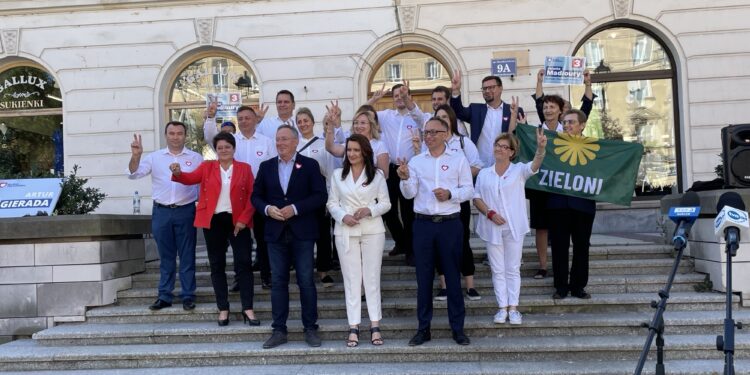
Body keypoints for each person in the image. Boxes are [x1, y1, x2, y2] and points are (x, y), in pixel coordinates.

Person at [398, 117, 474, 346]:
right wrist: (404, 178)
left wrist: (451, 194)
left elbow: (469, 190)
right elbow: (409, 194)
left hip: (450, 224)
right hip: (423, 225)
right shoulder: (416, 161)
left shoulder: (459, 159)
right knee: (423, 279)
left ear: (445, 133)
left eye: (432, 132)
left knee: (452, 276)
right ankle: (423, 329)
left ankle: (458, 328)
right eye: (425, 132)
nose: (428, 136)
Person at [170, 132, 259, 326]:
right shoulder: (207, 166)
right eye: (220, 147)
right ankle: (223, 308)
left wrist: (243, 220)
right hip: (214, 221)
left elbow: (253, 196)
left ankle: (248, 308)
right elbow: (189, 178)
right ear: (215, 150)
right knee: (217, 265)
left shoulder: (245, 168)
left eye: (227, 146)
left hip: (238, 221)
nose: (224, 150)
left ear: (234, 148)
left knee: (243, 264)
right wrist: (177, 172)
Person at [252, 125, 327, 349]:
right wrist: (267, 209)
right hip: (275, 233)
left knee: (305, 280)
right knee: (277, 282)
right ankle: (279, 330)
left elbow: (320, 195)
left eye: (285, 139)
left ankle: (310, 328)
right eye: (278, 139)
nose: (280, 143)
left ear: (296, 141)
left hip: (302, 231)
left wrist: (295, 208)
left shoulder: (310, 165)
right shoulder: (266, 167)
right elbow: (256, 196)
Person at [473, 128, 547, 325]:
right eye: (497, 145)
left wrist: (540, 149)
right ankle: (501, 308)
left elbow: (535, 165)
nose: (499, 149)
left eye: (504, 147)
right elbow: (476, 198)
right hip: (492, 228)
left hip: (514, 227)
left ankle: (514, 308)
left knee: (512, 268)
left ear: (512, 152)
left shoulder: (519, 170)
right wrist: (490, 213)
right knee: (497, 269)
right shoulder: (484, 174)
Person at [127, 121, 203, 311]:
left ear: (185, 136)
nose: (175, 137)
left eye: (179, 133)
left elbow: (202, 185)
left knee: (187, 256)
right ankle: (164, 295)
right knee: (166, 256)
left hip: (186, 211)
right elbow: (133, 174)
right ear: (165, 135)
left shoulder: (196, 158)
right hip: (161, 211)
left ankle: (188, 295)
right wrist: (136, 156)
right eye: (171, 133)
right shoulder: (155, 158)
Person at [413, 104, 482, 301]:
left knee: (462, 244)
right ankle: (443, 285)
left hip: (456, 206)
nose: (431, 134)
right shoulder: (421, 156)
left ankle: (469, 284)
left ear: (449, 123)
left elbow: (475, 168)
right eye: (437, 117)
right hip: (429, 215)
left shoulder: (462, 144)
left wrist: (452, 190)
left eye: (445, 117)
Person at [327, 134, 391, 347]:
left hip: (372, 230)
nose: (352, 154)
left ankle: (375, 325)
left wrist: (369, 210)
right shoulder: (338, 175)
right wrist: (343, 216)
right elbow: (331, 202)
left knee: (371, 278)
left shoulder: (377, 175)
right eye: (349, 150)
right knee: (352, 279)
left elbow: (386, 203)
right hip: (345, 230)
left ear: (365, 152)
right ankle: (353, 326)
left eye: (356, 150)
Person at [204, 104, 276, 290]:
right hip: (236, 200)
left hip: (260, 197)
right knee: (238, 244)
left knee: (263, 239)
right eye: (241, 118)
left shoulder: (267, 141)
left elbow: (274, 168)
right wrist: (210, 118)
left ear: (255, 120)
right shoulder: (232, 141)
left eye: (248, 118)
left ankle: (266, 276)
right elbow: (210, 138)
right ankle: (239, 279)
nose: (244, 121)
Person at [368, 82, 424, 265]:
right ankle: (401, 242)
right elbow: (364, 114)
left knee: (408, 212)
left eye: (403, 95)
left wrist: (408, 100)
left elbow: (423, 121)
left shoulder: (416, 116)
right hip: (390, 169)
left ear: (409, 96)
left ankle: (411, 250)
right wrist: (374, 100)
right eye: (396, 96)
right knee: (388, 211)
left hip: (409, 169)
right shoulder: (385, 116)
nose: (399, 98)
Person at [549, 109, 597, 300]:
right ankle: (561, 287)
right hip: (558, 205)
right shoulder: (554, 145)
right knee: (559, 248)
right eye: (565, 122)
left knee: (581, 247)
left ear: (582, 125)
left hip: (583, 206)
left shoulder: (595, 147)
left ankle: (578, 286)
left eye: (571, 122)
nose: (567, 125)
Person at [296, 106, 339, 287]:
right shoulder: (293, 144)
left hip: (320, 196)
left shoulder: (323, 144)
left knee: (323, 235)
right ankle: (303, 272)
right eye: (299, 121)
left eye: (306, 120)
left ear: (312, 122)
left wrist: (330, 199)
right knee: (301, 236)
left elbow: (330, 172)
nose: (303, 124)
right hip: (299, 197)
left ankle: (323, 271)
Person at [525, 94, 564, 280]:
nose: (548, 110)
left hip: (561, 186)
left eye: (552, 107)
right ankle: (542, 266)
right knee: (541, 228)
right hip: (540, 186)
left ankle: (559, 266)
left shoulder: (568, 132)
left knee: (559, 227)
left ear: (560, 110)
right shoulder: (534, 131)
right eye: (545, 107)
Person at [449, 71, 524, 168]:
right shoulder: (475, 110)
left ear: (501, 88)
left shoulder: (513, 111)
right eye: (484, 88)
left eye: (491, 87)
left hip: (504, 168)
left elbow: (521, 138)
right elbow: (457, 112)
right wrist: (455, 91)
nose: (487, 91)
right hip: (479, 168)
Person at [325, 109, 389, 177]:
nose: (358, 126)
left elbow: (384, 175)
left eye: (363, 123)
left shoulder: (379, 146)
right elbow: (330, 148)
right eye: (356, 123)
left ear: (371, 125)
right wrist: (330, 126)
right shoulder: (349, 143)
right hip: (349, 185)